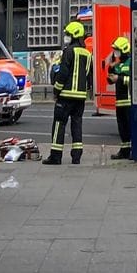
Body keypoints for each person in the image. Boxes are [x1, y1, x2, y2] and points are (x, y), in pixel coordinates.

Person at [44, 20, 92, 165]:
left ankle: (55, 156)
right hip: (80, 97)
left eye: (68, 35)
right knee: (77, 125)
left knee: (59, 124)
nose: (66, 37)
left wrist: (56, 90)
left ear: (75, 35)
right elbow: (88, 74)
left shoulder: (69, 51)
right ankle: (76, 156)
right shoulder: (87, 53)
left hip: (66, 96)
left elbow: (63, 73)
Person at [107, 36, 132, 160]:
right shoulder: (119, 63)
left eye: (117, 50)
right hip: (120, 102)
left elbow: (133, 81)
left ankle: (133, 150)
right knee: (122, 129)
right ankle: (124, 150)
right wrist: (111, 68)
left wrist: (119, 79)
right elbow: (110, 80)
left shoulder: (131, 62)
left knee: (130, 127)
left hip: (129, 101)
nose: (115, 52)